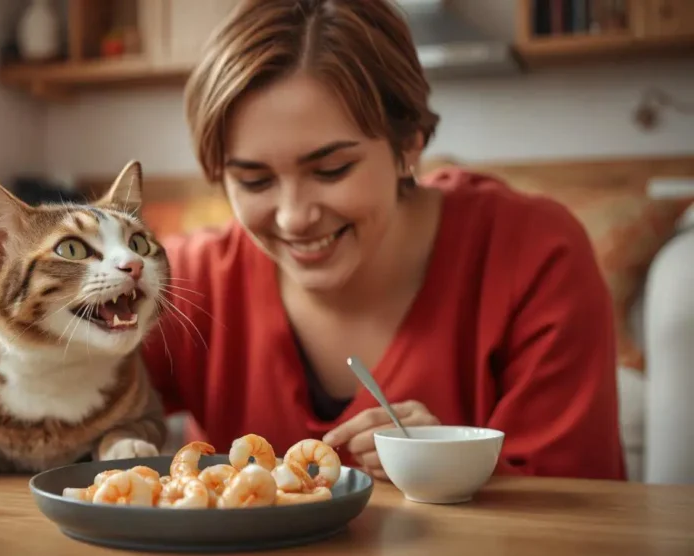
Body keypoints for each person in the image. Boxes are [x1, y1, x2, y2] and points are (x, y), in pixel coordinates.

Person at [141, 0, 626, 481]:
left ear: (408, 144)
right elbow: (77, 425)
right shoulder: (185, 280)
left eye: (332, 170)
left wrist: (457, 469)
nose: (294, 217)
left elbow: (580, 513)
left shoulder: (536, 255)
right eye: (254, 181)